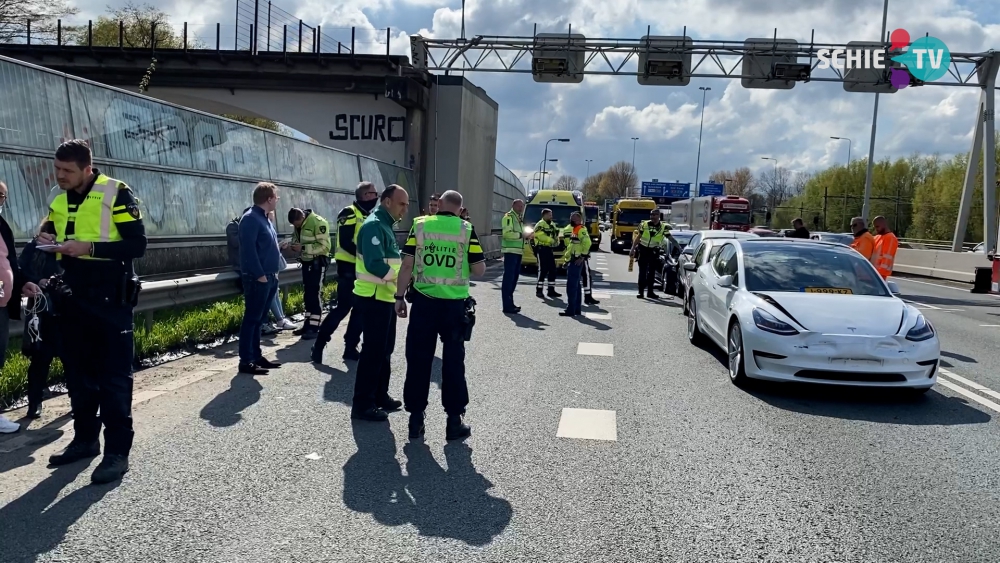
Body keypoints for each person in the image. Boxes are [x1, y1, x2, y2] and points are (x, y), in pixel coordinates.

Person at [37, 140, 144, 484]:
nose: (60, 176)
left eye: (67, 170)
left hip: (111, 298)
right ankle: (85, 440)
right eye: (57, 169)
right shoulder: (58, 197)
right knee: (78, 376)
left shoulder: (116, 192)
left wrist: (91, 247)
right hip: (72, 297)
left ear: (87, 168)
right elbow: (55, 230)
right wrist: (45, 237)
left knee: (113, 379)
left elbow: (137, 244)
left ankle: (116, 453)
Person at [395, 190, 485, 440]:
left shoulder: (420, 225)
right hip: (454, 308)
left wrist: (399, 297)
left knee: (418, 361)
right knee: (454, 363)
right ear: (460, 208)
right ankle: (454, 422)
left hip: (424, 304)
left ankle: (415, 420)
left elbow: (407, 265)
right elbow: (479, 269)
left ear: (440, 205)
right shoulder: (466, 230)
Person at [352, 184, 409, 422]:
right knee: (373, 352)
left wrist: (398, 294)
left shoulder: (385, 225)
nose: (405, 209)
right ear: (387, 201)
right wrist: (400, 278)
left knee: (384, 350)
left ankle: (379, 395)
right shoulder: (375, 225)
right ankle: (363, 404)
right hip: (373, 297)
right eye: (401, 203)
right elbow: (375, 264)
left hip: (384, 297)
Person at [311, 181, 378, 364]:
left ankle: (350, 347)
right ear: (365, 195)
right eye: (374, 193)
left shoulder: (368, 215)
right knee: (343, 308)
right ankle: (319, 344)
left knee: (360, 310)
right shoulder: (349, 212)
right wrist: (367, 257)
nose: (376, 197)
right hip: (349, 269)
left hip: (362, 271)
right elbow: (347, 241)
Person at [0, 181, 42, 434]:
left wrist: (23, 282)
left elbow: (9, 262)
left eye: (3, 197)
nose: (1, 201)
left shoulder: (1, 226)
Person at [235, 182, 283, 375]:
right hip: (258, 278)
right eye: (276, 197)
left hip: (270, 276)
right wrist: (260, 274)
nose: (277, 200)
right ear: (269, 199)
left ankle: (256, 356)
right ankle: (246, 361)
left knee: (260, 319)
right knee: (252, 319)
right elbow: (248, 251)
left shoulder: (264, 219)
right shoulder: (250, 219)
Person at [19, 217, 64, 419]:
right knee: (40, 358)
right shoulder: (34, 246)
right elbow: (21, 270)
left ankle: (80, 401)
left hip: (66, 308)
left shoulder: (70, 245)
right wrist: (38, 281)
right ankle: (34, 403)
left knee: (71, 357)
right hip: (40, 308)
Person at [287, 206, 331, 339]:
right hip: (306, 263)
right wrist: (292, 245)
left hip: (317, 263)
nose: (297, 227)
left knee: (315, 294)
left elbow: (325, 247)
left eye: (297, 224)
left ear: (302, 218)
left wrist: (304, 247)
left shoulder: (318, 223)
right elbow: (297, 239)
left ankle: (314, 327)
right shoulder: (298, 224)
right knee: (308, 295)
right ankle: (307, 325)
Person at [630, 209, 669, 299]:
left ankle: (650, 292)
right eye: (651, 215)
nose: (652, 217)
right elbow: (638, 237)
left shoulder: (663, 227)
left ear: (659, 216)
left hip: (653, 251)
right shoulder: (644, 224)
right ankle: (641, 292)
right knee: (642, 272)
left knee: (652, 273)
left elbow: (670, 238)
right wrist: (632, 249)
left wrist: (678, 247)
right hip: (643, 250)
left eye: (654, 215)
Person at [501, 200, 531, 313]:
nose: (521, 208)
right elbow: (507, 234)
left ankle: (510, 303)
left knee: (513, 279)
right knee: (509, 279)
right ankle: (507, 305)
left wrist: (526, 236)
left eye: (522, 206)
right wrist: (521, 235)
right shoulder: (509, 217)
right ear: (513, 206)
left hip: (518, 252)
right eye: (518, 206)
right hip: (510, 252)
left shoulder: (519, 218)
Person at [559, 211, 591, 317]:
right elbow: (571, 247)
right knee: (576, 286)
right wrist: (566, 260)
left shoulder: (580, 229)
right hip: (573, 260)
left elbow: (588, 243)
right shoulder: (575, 230)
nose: (571, 220)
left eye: (572, 218)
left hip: (576, 260)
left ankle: (571, 309)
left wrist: (582, 256)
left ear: (578, 220)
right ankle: (576, 309)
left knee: (571, 287)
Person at [532, 208, 561, 299]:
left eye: (551, 215)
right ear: (544, 215)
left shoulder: (552, 224)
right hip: (542, 249)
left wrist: (557, 241)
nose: (551, 217)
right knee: (543, 270)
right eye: (549, 215)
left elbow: (556, 233)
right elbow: (540, 236)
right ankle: (539, 290)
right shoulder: (540, 224)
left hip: (549, 249)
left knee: (553, 269)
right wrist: (551, 240)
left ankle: (551, 290)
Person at [872, 216, 899, 280]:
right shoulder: (876, 237)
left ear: (884, 224)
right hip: (872, 273)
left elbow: (886, 261)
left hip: (879, 276)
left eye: (877, 226)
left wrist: (878, 275)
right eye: (875, 227)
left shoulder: (890, 238)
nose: (876, 229)